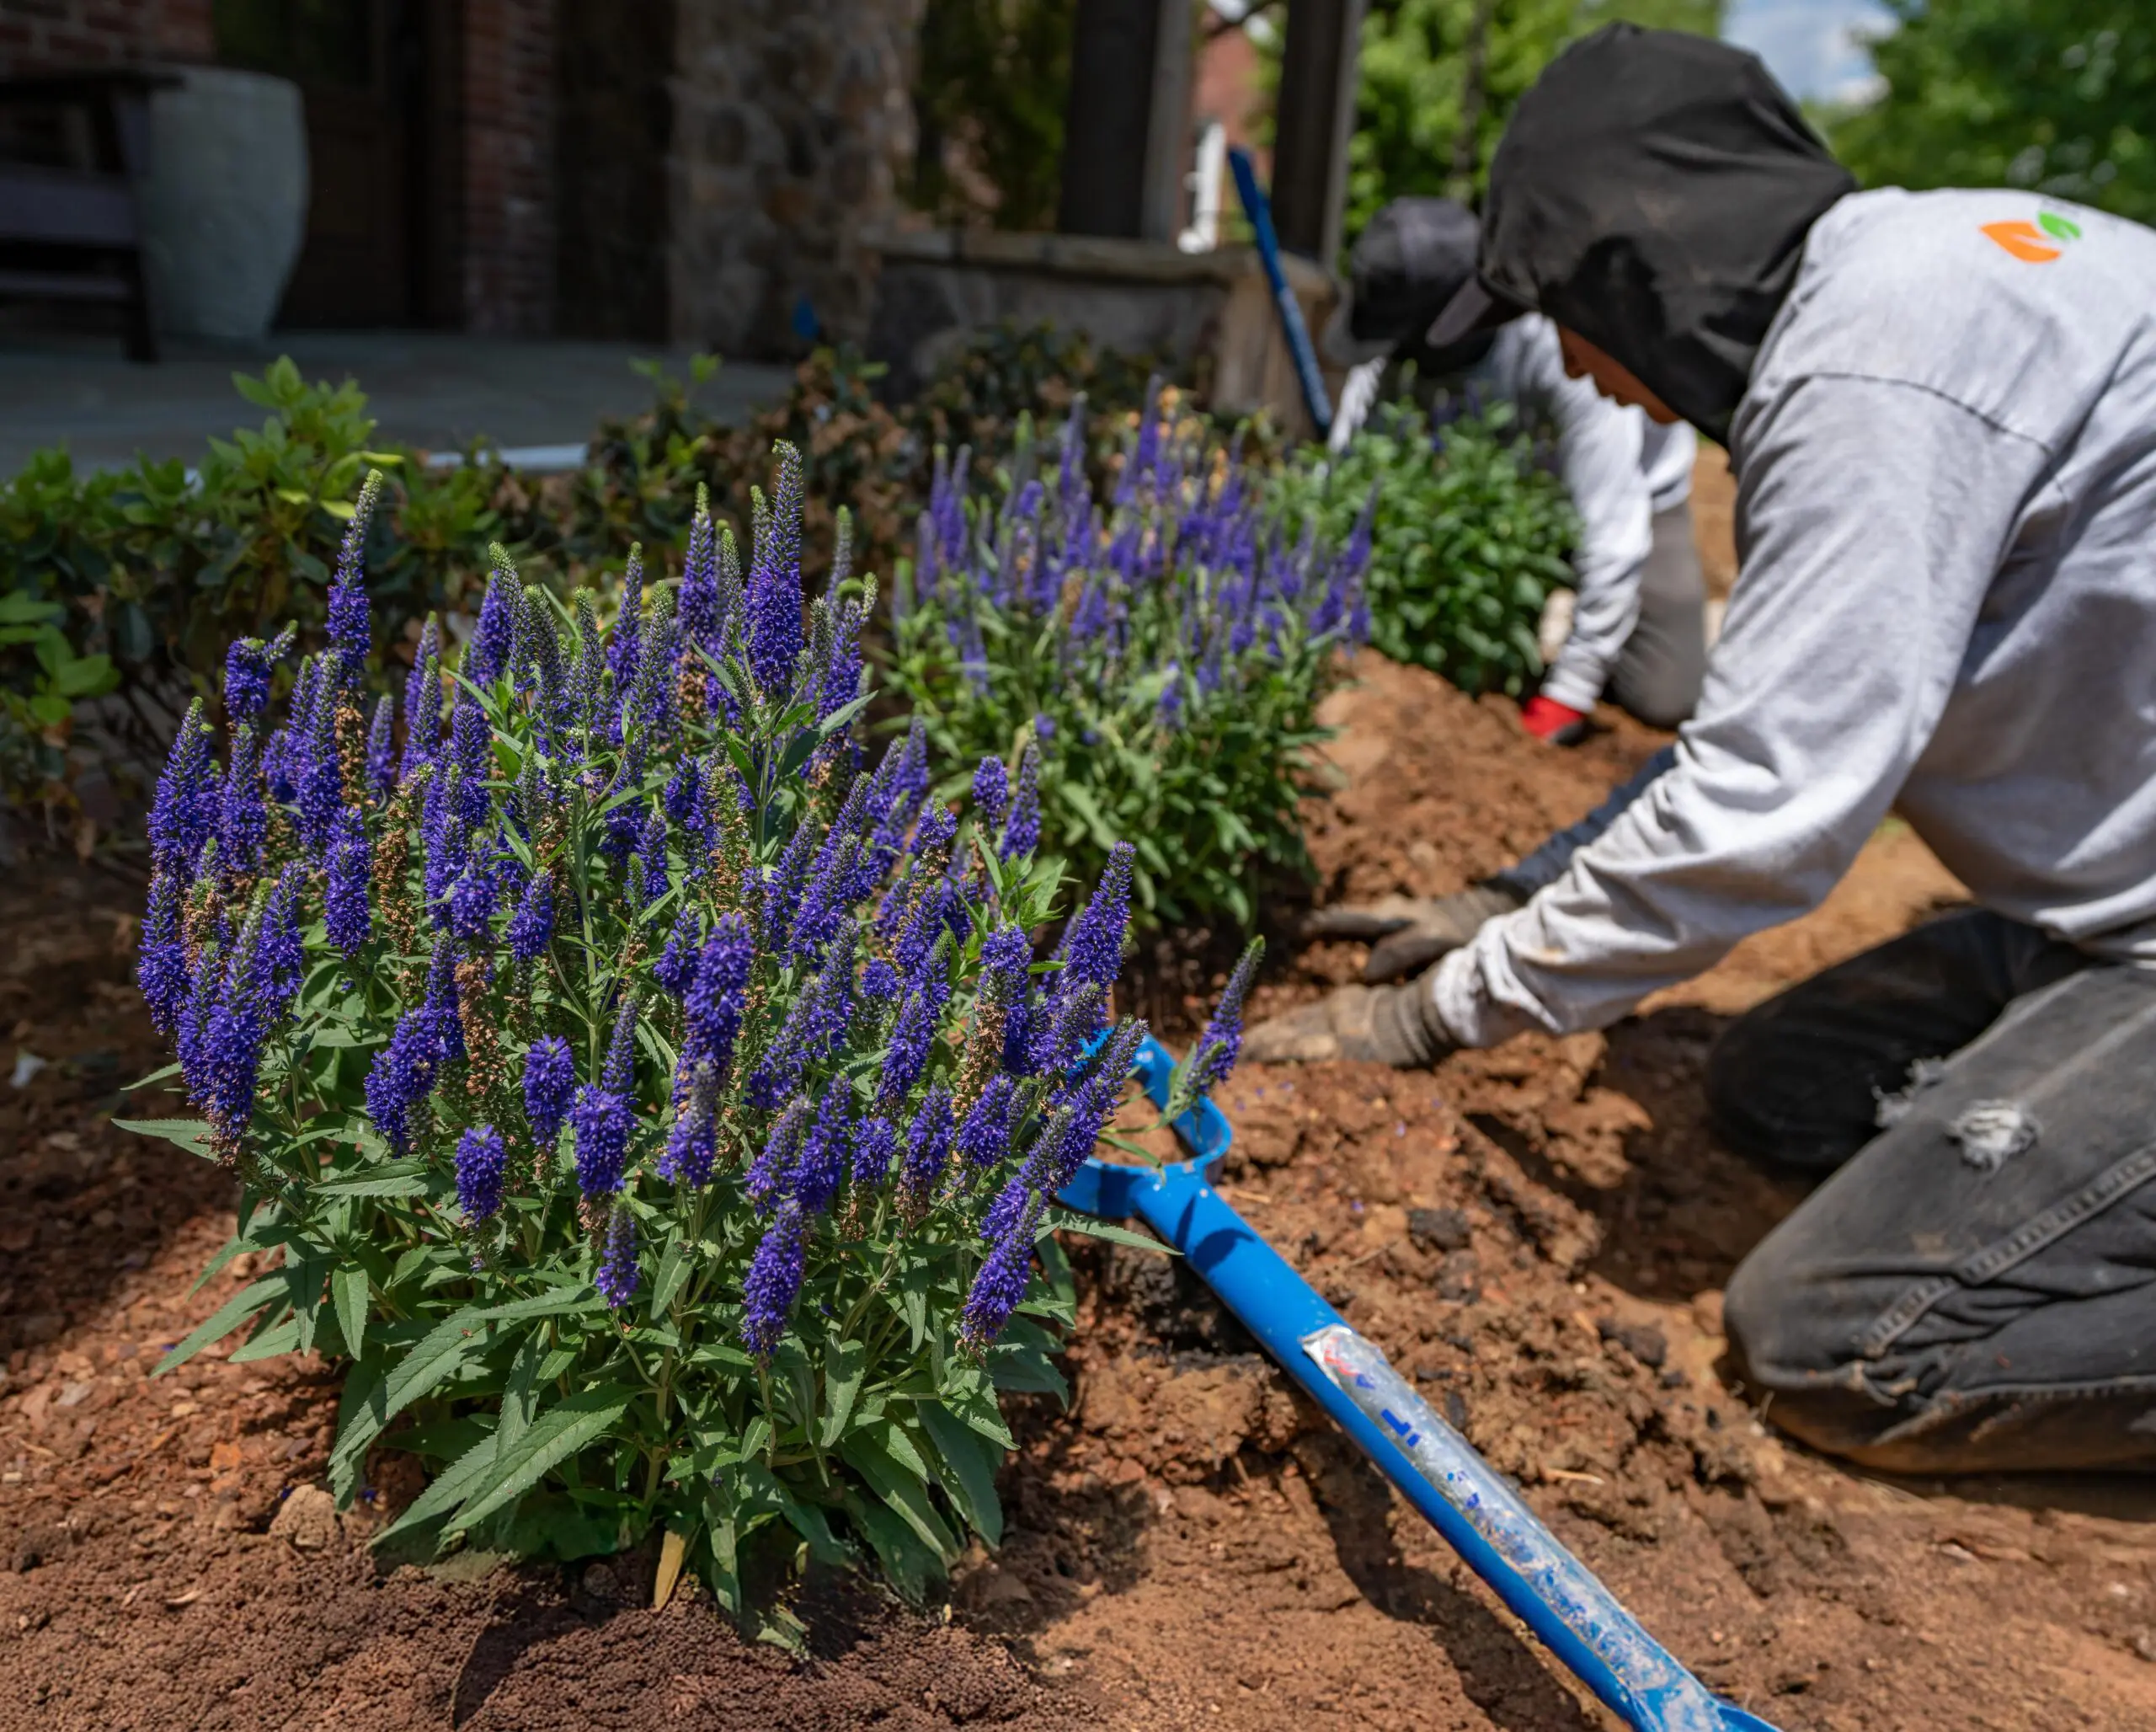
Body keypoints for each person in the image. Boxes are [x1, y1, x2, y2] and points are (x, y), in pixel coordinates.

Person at [1249, 24, 2156, 1474]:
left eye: (1559, 311)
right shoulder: (1901, 282)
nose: (1579, 370)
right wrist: (1517, 895)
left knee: (1840, 1337)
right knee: (1779, 1087)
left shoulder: (1877, 383)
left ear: (1640, 270)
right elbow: (1773, 727)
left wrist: (1427, 1017)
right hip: (2107, 900)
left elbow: (1766, 816)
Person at [1324, 195, 1706, 746]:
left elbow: (1614, 532)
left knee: (1664, 696)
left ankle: (1590, 646)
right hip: (1503, 509)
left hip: (1634, 494)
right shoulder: (1397, 350)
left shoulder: (1564, 349)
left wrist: (1568, 692)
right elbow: (1345, 475)